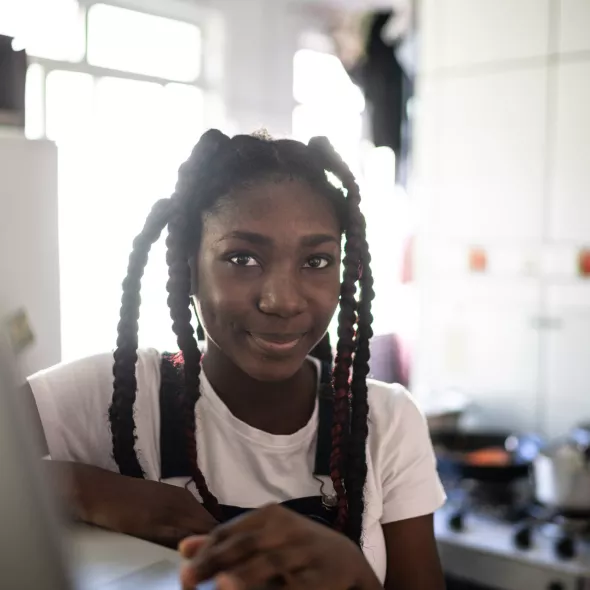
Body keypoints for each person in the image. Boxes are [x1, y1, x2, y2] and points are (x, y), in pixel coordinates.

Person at [26, 130, 446, 590]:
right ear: (190, 271)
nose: (282, 301)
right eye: (243, 258)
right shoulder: (119, 393)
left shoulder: (386, 422)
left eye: (317, 261)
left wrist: (357, 580)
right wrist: (88, 489)